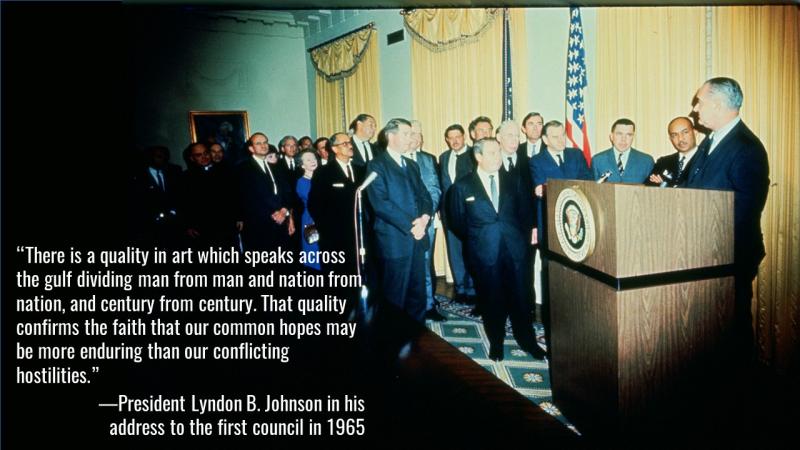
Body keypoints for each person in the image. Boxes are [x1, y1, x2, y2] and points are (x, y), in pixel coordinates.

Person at [687, 77, 770, 360]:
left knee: (733, 334)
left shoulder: (747, 148)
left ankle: (741, 398)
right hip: (702, 256)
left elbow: (745, 212)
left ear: (719, 105)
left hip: (728, 259)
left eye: (700, 101)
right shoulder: (710, 141)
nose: (695, 108)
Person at [446, 138, 545, 362]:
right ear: (478, 157)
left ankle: (528, 342)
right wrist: (481, 239)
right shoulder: (462, 187)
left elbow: (526, 214)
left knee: (521, 299)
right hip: (484, 253)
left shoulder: (516, 180)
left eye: (498, 152)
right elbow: (457, 222)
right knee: (492, 300)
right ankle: (497, 343)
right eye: (492, 153)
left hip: (515, 251)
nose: (498, 157)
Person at [529, 120, 592, 356]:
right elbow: (539, 190)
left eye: (562, 135)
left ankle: (577, 324)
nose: (560, 140)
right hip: (551, 227)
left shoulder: (576, 155)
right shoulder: (535, 161)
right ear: (544, 140)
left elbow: (588, 181)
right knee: (551, 276)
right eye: (554, 137)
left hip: (578, 227)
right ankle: (551, 325)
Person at [365, 118, 433, 323]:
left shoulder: (411, 164)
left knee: (417, 293)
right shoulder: (377, 165)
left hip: (417, 237)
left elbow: (424, 196)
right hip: (394, 240)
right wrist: (413, 226)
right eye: (406, 134)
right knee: (395, 295)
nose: (411, 138)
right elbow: (381, 204)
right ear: (390, 136)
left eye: (411, 134)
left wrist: (425, 218)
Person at [307, 133, 365, 276]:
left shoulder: (361, 170)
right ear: (334, 149)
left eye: (350, 142)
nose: (350, 146)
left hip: (358, 233)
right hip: (334, 235)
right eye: (344, 144)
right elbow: (315, 204)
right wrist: (327, 228)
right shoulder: (324, 172)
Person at [496, 120, 537, 313]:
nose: (515, 140)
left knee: (526, 271)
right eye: (509, 136)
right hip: (501, 231)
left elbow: (534, 199)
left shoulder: (529, 163)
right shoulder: (491, 162)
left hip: (525, 230)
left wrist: (535, 227)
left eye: (517, 136)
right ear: (499, 138)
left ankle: (526, 309)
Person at [407, 120, 445, 321]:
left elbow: (434, 189)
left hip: (425, 221)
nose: (416, 138)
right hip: (402, 223)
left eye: (419, 134)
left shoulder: (426, 160)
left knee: (425, 263)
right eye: (412, 133)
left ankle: (429, 305)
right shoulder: (391, 160)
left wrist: (425, 217)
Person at [235, 132, 296, 251]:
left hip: (281, 223)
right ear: (251, 148)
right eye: (258, 143)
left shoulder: (277, 167)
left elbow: (287, 192)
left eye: (265, 142)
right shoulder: (242, 169)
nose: (263, 146)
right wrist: (274, 213)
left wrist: (284, 211)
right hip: (258, 226)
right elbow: (246, 199)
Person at [438, 124, 477, 304]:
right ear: (447, 140)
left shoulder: (474, 155)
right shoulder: (443, 157)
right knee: (455, 252)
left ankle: (473, 289)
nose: (454, 141)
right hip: (449, 214)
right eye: (450, 138)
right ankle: (461, 289)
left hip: (470, 214)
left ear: (464, 137)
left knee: (471, 251)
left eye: (457, 137)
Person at [179, 142, 236, 249]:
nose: (204, 157)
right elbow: (183, 204)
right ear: (191, 158)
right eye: (198, 155)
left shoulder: (225, 171)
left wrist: (238, 217)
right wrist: (188, 225)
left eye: (206, 153)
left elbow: (234, 197)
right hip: (201, 228)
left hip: (225, 225)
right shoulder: (186, 178)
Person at [591, 118, 655, 183]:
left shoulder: (646, 161)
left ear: (633, 137)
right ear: (611, 136)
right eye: (619, 134)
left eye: (629, 135)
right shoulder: (598, 160)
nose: (623, 139)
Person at [647, 117, 700, 187]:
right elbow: (648, 185)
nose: (680, 138)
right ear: (670, 139)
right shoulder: (663, 162)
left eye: (685, 132)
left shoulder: (706, 160)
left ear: (695, 132)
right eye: (674, 135)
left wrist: (665, 185)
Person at [296, 149, 321, 271]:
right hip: (310, 219)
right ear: (302, 165)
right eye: (308, 159)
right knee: (314, 254)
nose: (313, 161)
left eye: (314, 158)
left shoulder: (322, 179)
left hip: (324, 217)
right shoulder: (301, 182)